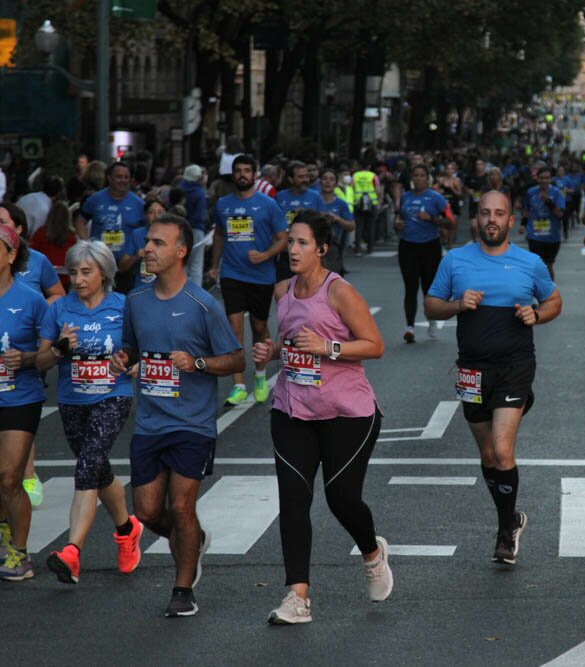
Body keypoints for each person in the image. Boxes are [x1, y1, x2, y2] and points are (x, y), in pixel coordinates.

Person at [251, 211, 391, 624]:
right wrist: (272, 352)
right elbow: (294, 339)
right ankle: (297, 597)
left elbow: (375, 345)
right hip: (292, 409)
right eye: (290, 242)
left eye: (302, 243)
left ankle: (371, 552)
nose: (292, 250)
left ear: (322, 249)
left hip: (347, 411)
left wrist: (328, 348)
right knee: (293, 501)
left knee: (341, 498)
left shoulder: (339, 291)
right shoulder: (283, 291)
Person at [111, 214, 243, 616]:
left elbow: (236, 357)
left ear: (181, 252)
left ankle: (183, 590)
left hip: (193, 423)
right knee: (149, 511)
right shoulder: (135, 300)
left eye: (157, 243)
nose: (147, 249)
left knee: (182, 506)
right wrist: (124, 358)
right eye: (148, 241)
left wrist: (198, 364)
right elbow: (132, 346)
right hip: (150, 421)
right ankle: (192, 540)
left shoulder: (203, 305)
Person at [424, 190, 562, 565]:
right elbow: (431, 304)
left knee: (502, 450)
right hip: (471, 369)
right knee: (487, 454)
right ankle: (512, 518)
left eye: (499, 213)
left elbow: (554, 301)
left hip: (516, 366)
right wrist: (456, 304)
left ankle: (504, 533)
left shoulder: (529, 262)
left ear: (510, 221)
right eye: (485, 213)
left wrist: (537, 314)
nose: (491, 220)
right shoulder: (455, 260)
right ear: (476, 219)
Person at [37, 241, 141, 584]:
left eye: (86, 272)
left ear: (104, 274)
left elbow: (139, 349)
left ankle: (72, 552)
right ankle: (127, 530)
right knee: (96, 467)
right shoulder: (58, 309)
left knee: (87, 464)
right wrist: (58, 349)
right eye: (73, 273)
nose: (78, 280)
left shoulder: (123, 307)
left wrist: (130, 363)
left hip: (113, 396)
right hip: (72, 400)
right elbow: (40, 360)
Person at [208, 154, 288, 406]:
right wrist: (214, 265)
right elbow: (220, 235)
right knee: (234, 329)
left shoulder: (268, 204)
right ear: (233, 174)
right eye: (238, 171)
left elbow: (283, 239)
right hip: (232, 273)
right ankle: (239, 385)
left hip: (261, 275)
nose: (242, 174)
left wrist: (265, 255)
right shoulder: (222, 205)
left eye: (246, 170)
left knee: (259, 328)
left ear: (254, 175)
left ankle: (261, 375)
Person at [0, 224, 48, 580]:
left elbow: (49, 356)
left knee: (9, 475)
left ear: (11, 255)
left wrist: (28, 359)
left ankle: (19, 551)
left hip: (20, 396)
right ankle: (4, 538)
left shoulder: (30, 299)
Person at [393, 164, 448, 344]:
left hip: (430, 246)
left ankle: (432, 320)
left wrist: (431, 219)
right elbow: (399, 219)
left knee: (428, 288)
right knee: (410, 287)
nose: (418, 179)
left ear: (428, 178)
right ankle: (409, 327)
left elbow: (451, 221)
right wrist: (397, 224)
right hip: (408, 246)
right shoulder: (406, 197)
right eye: (415, 175)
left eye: (422, 175)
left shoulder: (436, 198)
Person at [74, 162, 146, 292]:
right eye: (119, 176)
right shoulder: (95, 199)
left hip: (128, 266)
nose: (123, 180)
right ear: (109, 178)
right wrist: (87, 243)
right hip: (99, 263)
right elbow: (79, 222)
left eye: (126, 177)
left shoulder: (139, 204)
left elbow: (147, 230)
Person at [275, 162, 325, 281]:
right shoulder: (280, 197)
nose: (305, 180)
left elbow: (324, 223)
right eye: (300, 177)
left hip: (309, 255)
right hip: (286, 254)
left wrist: (307, 215)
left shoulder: (315, 196)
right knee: (284, 292)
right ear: (290, 179)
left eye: (306, 176)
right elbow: (274, 224)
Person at [520, 166, 565, 279]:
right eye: (542, 178)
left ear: (550, 179)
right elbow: (526, 210)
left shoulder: (557, 193)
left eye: (547, 178)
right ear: (537, 179)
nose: (544, 180)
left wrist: (548, 202)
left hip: (552, 236)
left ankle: (550, 290)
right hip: (534, 236)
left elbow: (560, 214)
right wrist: (522, 224)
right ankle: (540, 291)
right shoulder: (531, 192)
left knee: (548, 266)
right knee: (538, 266)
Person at [31, 201, 78, 290]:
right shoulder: (71, 237)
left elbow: (33, 254)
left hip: (43, 277)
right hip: (64, 279)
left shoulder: (40, 233)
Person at [318, 168, 356, 274]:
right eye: (324, 179)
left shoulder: (341, 204)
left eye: (331, 179)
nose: (328, 182)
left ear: (336, 183)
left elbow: (351, 226)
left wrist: (337, 219)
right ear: (320, 181)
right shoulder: (313, 199)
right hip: (313, 247)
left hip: (333, 246)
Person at [180, 165, 209, 289]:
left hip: (180, 229)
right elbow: (201, 215)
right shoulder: (199, 193)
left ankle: (180, 289)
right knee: (196, 263)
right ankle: (196, 292)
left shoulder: (180, 188)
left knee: (183, 262)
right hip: (197, 229)